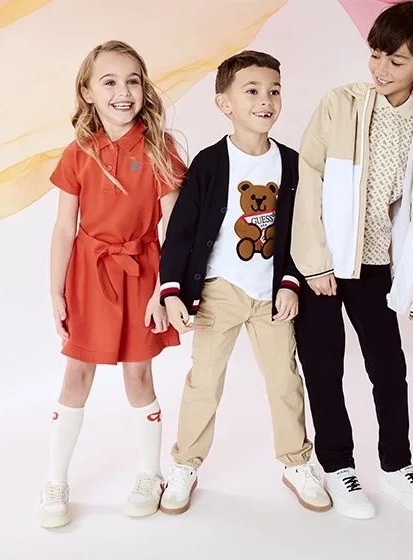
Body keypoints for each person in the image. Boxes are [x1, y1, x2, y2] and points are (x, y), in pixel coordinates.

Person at [291, 1, 413, 519]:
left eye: (397, 60)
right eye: (377, 54)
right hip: (323, 264)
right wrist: (314, 262)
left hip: (375, 267)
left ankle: (396, 466)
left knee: (388, 368)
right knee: (324, 366)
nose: (381, 68)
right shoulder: (340, 104)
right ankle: (338, 466)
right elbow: (308, 181)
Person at [157, 50, 330, 515]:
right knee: (204, 381)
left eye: (274, 91)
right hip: (220, 291)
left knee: (284, 380)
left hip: (271, 296)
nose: (265, 100)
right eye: (251, 91)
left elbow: (302, 231)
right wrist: (172, 290)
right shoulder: (210, 164)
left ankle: (296, 463)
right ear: (224, 103)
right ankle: (185, 464)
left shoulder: (292, 164)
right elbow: (181, 232)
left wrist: (290, 282)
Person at [40, 40, 186, 528]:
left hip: (144, 273)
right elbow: (64, 228)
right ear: (87, 92)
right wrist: (56, 291)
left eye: (132, 81)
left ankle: (150, 474)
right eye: (109, 82)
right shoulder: (78, 153)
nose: (123, 92)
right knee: (76, 374)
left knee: (138, 376)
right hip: (88, 274)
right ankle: (55, 480)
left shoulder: (160, 149)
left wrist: (164, 290)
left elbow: (173, 229)